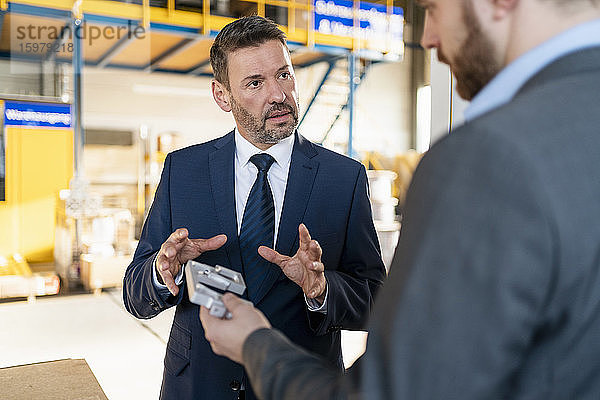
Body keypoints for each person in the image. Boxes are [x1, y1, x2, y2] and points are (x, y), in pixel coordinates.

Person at [200, 0, 600, 399]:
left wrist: (256, 342)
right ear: (223, 95)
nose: (427, 37)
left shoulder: (488, 157)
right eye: (254, 82)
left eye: (433, 9)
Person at [122, 15, 386, 400]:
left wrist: (321, 288)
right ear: (222, 96)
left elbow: (374, 300)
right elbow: (134, 293)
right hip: (199, 387)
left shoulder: (343, 178)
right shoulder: (184, 171)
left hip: (299, 387)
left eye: (284, 75)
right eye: (255, 82)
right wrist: (163, 274)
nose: (278, 95)